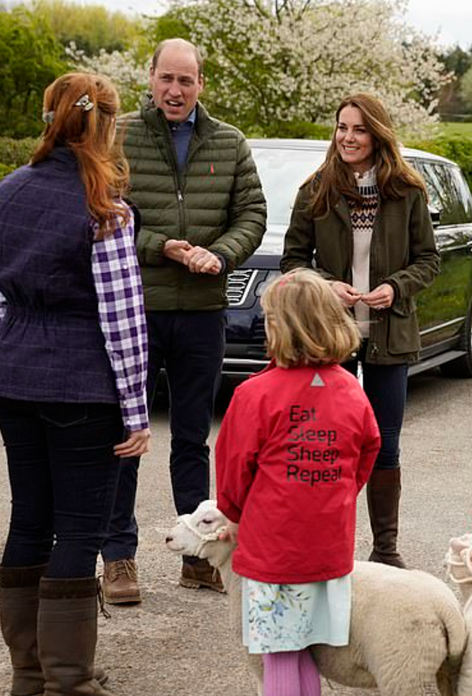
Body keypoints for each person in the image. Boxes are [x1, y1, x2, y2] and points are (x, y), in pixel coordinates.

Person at [0, 72, 150, 696]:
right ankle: (69, 680)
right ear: (107, 126)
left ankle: (28, 675)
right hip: (85, 386)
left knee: (28, 520)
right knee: (80, 530)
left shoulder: (7, 191)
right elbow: (122, 318)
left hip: (14, 376)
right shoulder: (106, 209)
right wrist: (137, 410)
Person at [104, 37, 267, 604]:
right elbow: (101, 211)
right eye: (167, 79)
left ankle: (196, 557)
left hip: (202, 311)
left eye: (186, 81)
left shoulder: (230, 141)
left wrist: (219, 254)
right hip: (136, 309)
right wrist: (160, 246)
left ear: (202, 84)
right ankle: (118, 557)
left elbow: (253, 214)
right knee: (126, 435)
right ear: (150, 78)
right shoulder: (117, 135)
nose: (175, 90)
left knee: (193, 438)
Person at [280, 93, 440, 568]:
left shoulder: (408, 191)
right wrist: (327, 287)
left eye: (359, 130)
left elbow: (428, 260)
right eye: (342, 128)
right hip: (331, 339)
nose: (348, 138)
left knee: (385, 443)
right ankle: (333, 548)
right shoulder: (315, 190)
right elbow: (293, 261)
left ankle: (385, 550)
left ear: (377, 135)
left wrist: (396, 287)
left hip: (390, 335)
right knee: (332, 446)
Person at [215, 269, 381, 696]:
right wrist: (339, 491)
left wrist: (234, 514)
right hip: (327, 544)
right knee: (303, 647)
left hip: (275, 551)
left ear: (277, 327)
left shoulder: (254, 394)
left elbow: (233, 466)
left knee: (282, 652)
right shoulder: (350, 390)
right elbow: (367, 450)